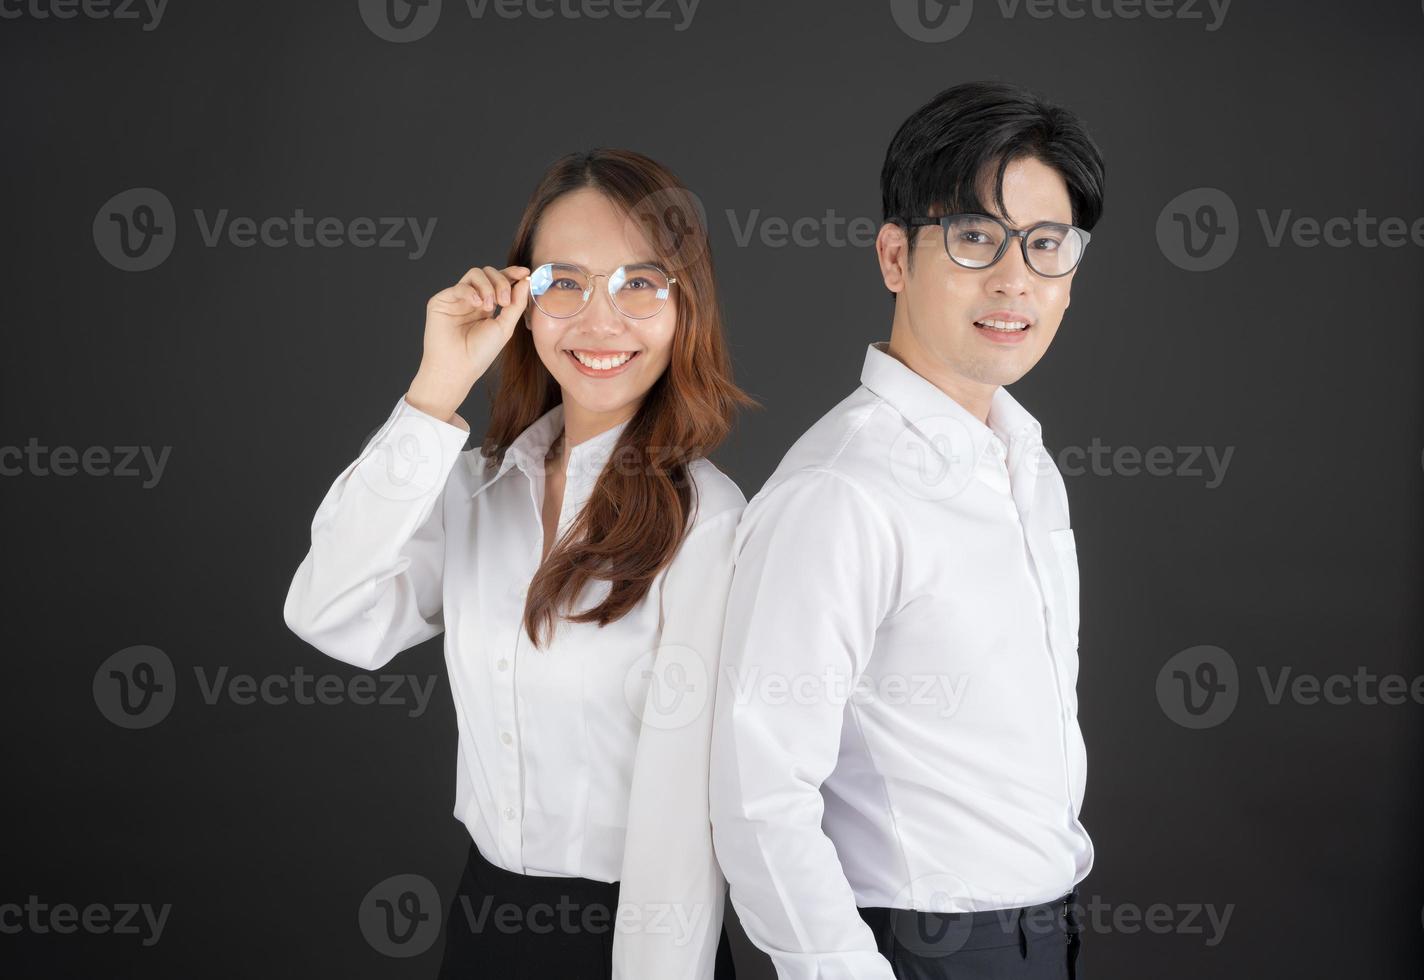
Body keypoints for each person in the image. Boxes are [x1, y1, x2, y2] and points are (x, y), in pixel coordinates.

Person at [284, 148, 753, 979]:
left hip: (638, 936)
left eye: (640, 283)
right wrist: (435, 389)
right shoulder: (475, 489)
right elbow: (327, 614)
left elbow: (686, 820)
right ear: (521, 302)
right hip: (485, 920)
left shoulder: (708, 519)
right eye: (563, 282)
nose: (600, 322)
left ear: (687, 307)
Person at [709, 81, 1106, 979]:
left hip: (1043, 933)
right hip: (919, 946)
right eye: (975, 239)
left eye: (1047, 246)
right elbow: (757, 791)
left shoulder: (1025, 462)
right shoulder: (841, 489)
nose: (1015, 281)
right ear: (895, 256)